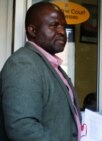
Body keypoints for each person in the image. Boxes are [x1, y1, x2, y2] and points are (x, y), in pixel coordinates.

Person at [0, 2, 82, 141]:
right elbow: (23, 129)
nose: (62, 31)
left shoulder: (51, 64)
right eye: (54, 25)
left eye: (63, 26)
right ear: (32, 30)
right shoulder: (23, 64)